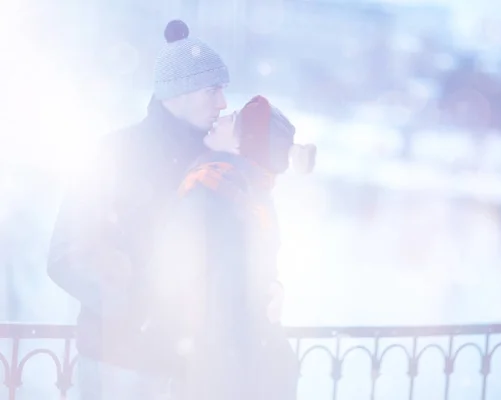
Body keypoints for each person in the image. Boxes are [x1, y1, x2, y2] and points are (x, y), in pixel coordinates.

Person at [46, 19, 229, 399]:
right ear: (178, 93)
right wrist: (138, 315)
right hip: (119, 368)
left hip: (193, 372)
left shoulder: (214, 164)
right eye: (213, 90)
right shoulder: (113, 153)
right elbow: (65, 255)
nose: (223, 103)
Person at [148, 95, 316, 400]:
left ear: (242, 146)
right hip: (246, 366)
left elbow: (183, 278)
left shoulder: (213, 193)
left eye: (234, 119)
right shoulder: (253, 195)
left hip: (215, 372)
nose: (221, 118)